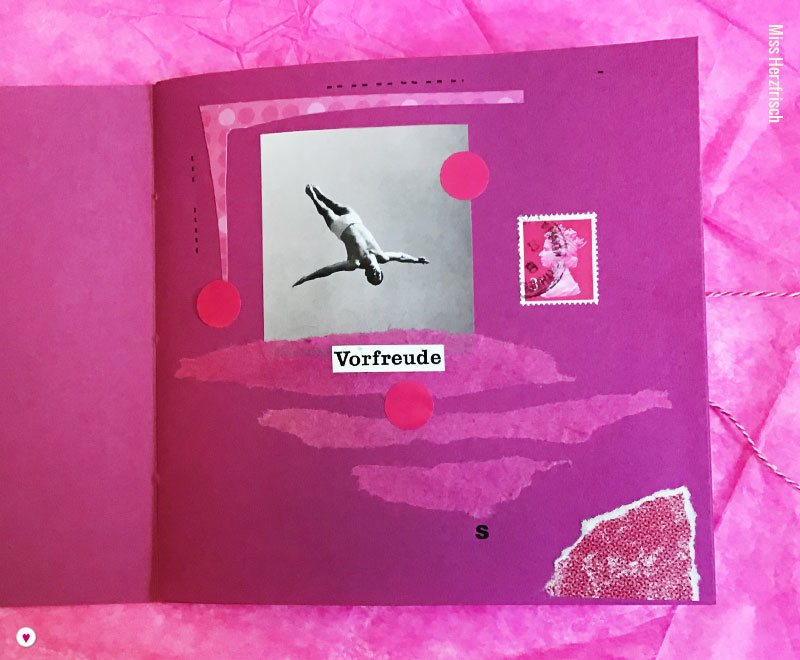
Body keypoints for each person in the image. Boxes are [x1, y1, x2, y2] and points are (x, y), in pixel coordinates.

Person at [293, 185, 429, 287]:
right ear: (380, 269)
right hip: (355, 220)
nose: (374, 273)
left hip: (341, 228)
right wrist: (417, 260)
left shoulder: (354, 263)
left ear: (366, 274)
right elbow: (400, 256)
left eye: (372, 276)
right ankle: (321, 195)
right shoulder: (382, 256)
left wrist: (307, 277)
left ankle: (313, 197)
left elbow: (330, 269)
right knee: (334, 205)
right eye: (378, 274)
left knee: (325, 211)